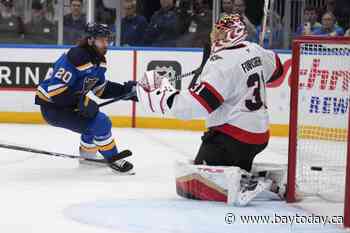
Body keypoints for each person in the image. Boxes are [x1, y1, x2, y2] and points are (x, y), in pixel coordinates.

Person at [137, 14, 284, 205]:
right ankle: (266, 180)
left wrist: (169, 98)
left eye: (221, 33)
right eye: (216, 32)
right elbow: (278, 71)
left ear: (234, 34)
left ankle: (245, 185)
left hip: (231, 140)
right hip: (259, 136)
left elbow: (199, 105)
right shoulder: (255, 50)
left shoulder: (222, 62)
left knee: (191, 183)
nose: (215, 36)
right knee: (221, 169)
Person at [34, 23, 137, 175]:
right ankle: (113, 158)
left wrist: (125, 91)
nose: (105, 44)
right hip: (53, 107)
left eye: (107, 40)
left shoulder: (99, 61)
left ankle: (88, 156)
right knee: (101, 122)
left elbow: (101, 89)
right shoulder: (76, 57)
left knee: (91, 119)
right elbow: (56, 91)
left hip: (66, 103)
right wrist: (82, 102)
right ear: (90, 40)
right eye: (101, 40)